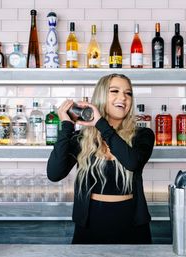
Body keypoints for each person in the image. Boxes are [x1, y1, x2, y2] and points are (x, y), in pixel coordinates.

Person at [47, 73, 155, 244]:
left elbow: (132, 162)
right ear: (101, 96)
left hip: (131, 225)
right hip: (90, 224)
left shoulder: (143, 135)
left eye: (128, 93)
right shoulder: (81, 138)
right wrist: (67, 126)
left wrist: (100, 123)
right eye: (115, 91)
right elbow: (54, 173)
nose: (123, 97)